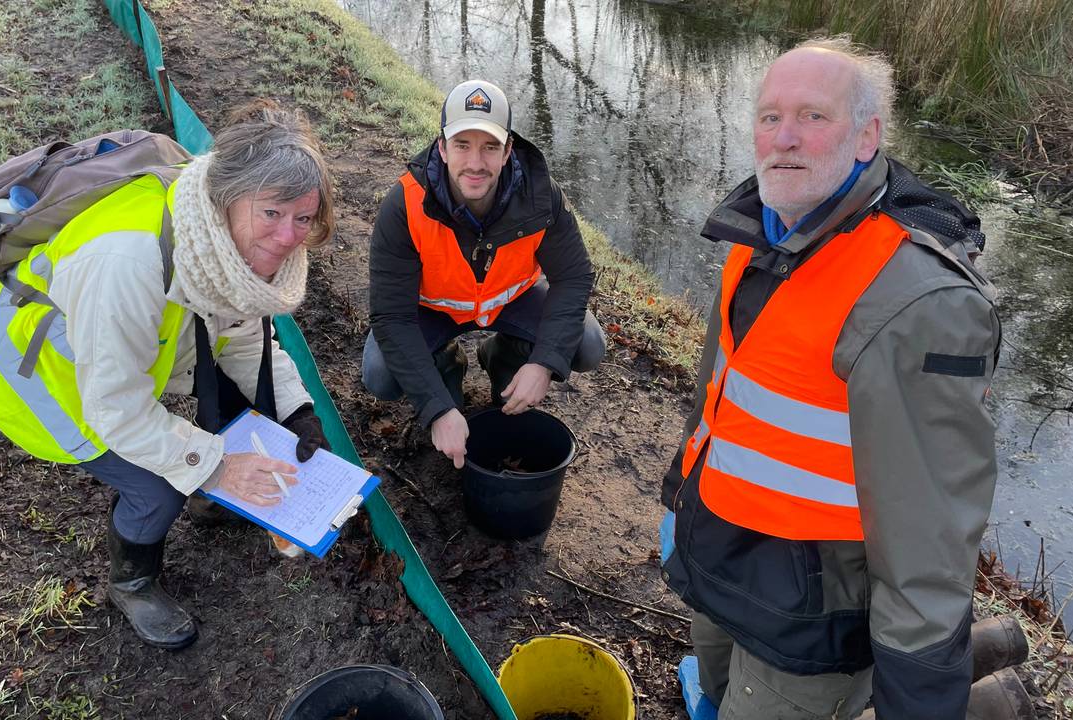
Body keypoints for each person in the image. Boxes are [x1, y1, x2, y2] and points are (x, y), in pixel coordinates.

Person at [660, 38, 1002, 719]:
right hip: (722, 553)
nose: (783, 137)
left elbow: (929, 533)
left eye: (812, 116)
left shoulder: (916, 300)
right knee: (714, 691)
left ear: (867, 136)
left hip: (809, 619)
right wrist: (681, 491)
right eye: (769, 117)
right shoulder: (762, 231)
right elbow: (722, 391)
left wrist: (919, 690)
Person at [0, 101, 335, 650]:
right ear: (228, 196)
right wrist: (215, 466)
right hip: (27, 370)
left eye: (303, 218)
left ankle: (212, 501)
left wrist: (299, 413)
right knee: (156, 487)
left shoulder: (212, 232)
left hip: (105, 345)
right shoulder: (127, 261)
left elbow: (244, 333)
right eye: (272, 213)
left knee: (232, 398)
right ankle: (132, 584)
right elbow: (116, 409)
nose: (287, 236)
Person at [363, 80, 605, 468]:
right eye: (462, 145)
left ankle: (503, 357)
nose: (476, 163)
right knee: (380, 374)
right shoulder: (405, 204)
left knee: (587, 344)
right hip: (432, 311)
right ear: (442, 148)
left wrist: (545, 362)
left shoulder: (541, 195)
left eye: (490, 147)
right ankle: (446, 366)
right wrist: (437, 408)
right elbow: (391, 317)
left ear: (508, 151)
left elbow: (573, 277)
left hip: (512, 301)